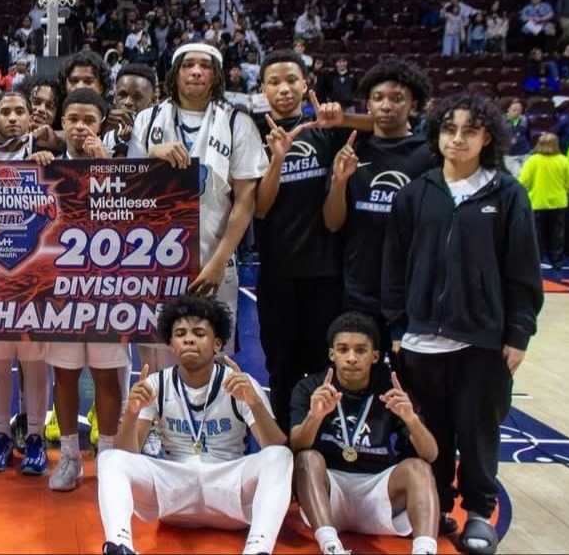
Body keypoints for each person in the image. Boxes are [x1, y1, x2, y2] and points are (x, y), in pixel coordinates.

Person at [382, 93, 544, 555]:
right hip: (419, 338)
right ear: (436, 134)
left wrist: (518, 333)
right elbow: (395, 265)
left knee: (477, 430)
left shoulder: (507, 194)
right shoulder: (417, 192)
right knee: (428, 431)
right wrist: (396, 325)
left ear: (486, 136)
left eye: (468, 131)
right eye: (449, 129)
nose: (457, 139)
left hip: (482, 340)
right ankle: (434, 507)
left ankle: (477, 511)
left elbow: (522, 271)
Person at [127, 42, 268, 403]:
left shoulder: (238, 122)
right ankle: (156, 428)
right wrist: (151, 156)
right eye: (188, 64)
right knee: (154, 351)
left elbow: (245, 199)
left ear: (216, 75)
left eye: (205, 66)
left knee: (213, 349)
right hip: (154, 258)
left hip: (214, 258)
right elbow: (128, 189)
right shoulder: (148, 119)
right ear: (175, 73)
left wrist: (221, 260)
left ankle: (213, 429)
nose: (196, 71)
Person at [98, 295, 291, 555]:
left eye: (199, 333)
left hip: (229, 492)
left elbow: (275, 447)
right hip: (174, 495)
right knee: (110, 458)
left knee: (281, 456)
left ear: (217, 344)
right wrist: (132, 414)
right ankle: (120, 546)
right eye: (180, 333)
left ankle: (258, 549)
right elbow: (126, 456)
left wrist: (255, 403)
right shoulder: (156, 384)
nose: (189, 339)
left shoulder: (239, 384)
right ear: (172, 345)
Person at [252, 50, 366, 431]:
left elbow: (334, 221)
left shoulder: (328, 128)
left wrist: (339, 179)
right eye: (274, 82)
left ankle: (323, 442)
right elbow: (261, 209)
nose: (283, 89)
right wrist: (277, 159)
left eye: (291, 80)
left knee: (323, 366)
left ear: (306, 84)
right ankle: (286, 444)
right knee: (281, 366)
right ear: (262, 88)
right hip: (278, 274)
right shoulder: (255, 130)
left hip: (325, 275)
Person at [290, 312, 441, 555]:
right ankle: (330, 546)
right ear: (332, 354)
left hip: (379, 491)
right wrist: (315, 416)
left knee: (419, 468)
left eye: (360, 350)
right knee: (306, 459)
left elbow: (431, 454)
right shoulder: (310, 387)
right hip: (329, 493)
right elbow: (296, 445)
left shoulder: (392, 390)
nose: (351, 358)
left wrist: (411, 419)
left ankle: (425, 550)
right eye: (343, 349)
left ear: (375, 356)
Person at [45, 88, 128, 493]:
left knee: (107, 375)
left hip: (108, 287)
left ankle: (109, 460)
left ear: (102, 125)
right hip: (60, 289)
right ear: (61, 124)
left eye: (89, 121)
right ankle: (71, 459)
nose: (80, 128)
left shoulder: (119, 167)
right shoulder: (46, 168)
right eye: (73, 120)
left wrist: (104, 164)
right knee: (64, 374)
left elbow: (134, 218)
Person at [322, 58, 433, 356]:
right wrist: (340, 182)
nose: (386, 106)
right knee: (359, 381)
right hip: (359, 289)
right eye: (378, 98)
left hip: (412, 292)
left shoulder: (429, 155)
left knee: (408, 388)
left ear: (414, 106)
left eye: (397, 99)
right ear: (368, 104)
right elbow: (333, 223)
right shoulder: (352, 150)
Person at [0, 91, 56, 475]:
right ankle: (2, 435)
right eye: (4, 111)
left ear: (31, 118)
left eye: (20, 111)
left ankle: (35, 436)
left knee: (35, 361)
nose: (13, 117)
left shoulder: (45, 156)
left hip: (37, 277)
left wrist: (49, 166)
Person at [518, 132, 569, 269]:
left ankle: (536, 261)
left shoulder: (532, 161)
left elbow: (523, 181)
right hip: (558, 203)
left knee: (536, 235)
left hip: (537, 202)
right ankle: (557, 262)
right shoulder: (563, 160)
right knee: (557, 235)